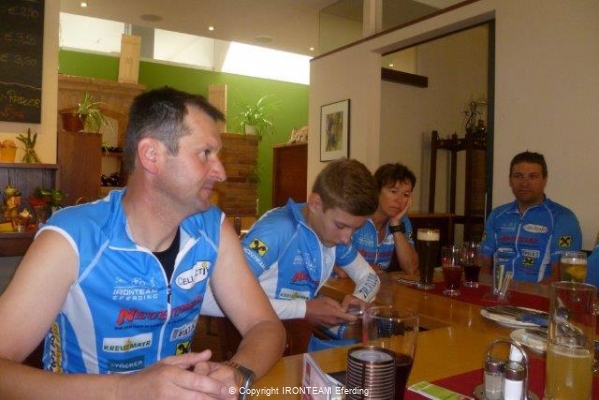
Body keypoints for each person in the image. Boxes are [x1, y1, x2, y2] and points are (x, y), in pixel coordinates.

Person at [0, 87, 285, 398]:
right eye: (205, 153)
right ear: (151, 155)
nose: (221, 172)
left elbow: (265, 325)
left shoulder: (212, 228)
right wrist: (126, 390)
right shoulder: (71, 239)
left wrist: (237, 372)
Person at [203, 158, 380, 330]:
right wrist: (303, 309)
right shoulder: (276, 231)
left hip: (292, 331)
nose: (347, 238)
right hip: (248, 333)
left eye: (355, 229)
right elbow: (206, 298)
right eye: (341, 226)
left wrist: (359, 298)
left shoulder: (332, 233)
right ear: (315, 204)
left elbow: (370, 277)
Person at [480, 151, 582, 283]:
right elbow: (483, 264)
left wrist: (523, 293)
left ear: (544, 180)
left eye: (533, 176)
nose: (524, 183)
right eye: (518, 176)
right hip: (497, 293)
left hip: (538, 294)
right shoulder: (497, 215)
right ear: (510, 180)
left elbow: (561, 277)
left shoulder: (563, 218)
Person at [336, 163, 418, 277]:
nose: (399, 200)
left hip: (371, 285)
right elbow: (338, 267)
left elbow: (411, 269)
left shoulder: (402, 222)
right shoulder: (356, 216)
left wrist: (396, 226)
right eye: (393, 191)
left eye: (406, 194)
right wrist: (365, 268)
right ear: (376, 191)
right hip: (336, 285)